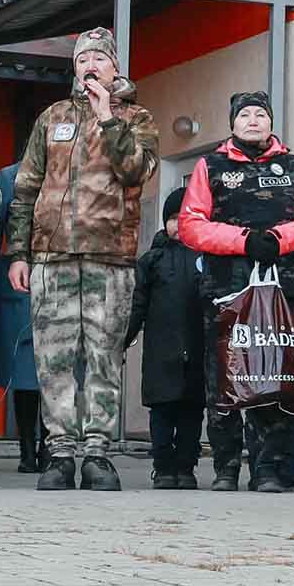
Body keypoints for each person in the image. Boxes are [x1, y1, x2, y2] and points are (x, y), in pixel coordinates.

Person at [6, 27, 160, 491]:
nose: (90, 65)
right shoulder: (51, 118)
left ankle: (97, 453)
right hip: (51, 257)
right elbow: (27, 187)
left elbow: (137, 171)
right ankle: (58, 453)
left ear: (115, 67)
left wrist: (107, 116)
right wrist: (19, 252)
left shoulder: (137, 118)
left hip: (110, 257)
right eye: (82, 60)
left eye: (99, 59)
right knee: (53, 360)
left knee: (103, 357)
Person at [178, 90, 294, 492]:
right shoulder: (210, 167)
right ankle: (226, 467)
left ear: (271, 122)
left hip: (283, 294)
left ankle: (270, 468)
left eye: (259, 114)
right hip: (226, 292)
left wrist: (278, 238)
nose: (252, 120)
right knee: (223, 381)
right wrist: (244, 240)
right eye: (244, 114)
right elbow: (192, 225)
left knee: (277, 377)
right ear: (232, 123)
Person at [125, 188, 206, 489]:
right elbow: (138, 304)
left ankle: (186, 468)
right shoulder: (151, 260)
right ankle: (162, 468)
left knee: (191, 415)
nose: (178, 225)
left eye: (185, 218)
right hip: (161, 353)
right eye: (173, 218)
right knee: (161, 415)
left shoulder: (207, 259)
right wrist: (124, 338)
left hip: (197, 353)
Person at [0, 163, 42, 471]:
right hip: (20, 278)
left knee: (59, 368)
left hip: (61, 272)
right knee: (25, 371)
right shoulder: (11, 176)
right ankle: (27, 449)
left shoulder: (76, 166)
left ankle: (51, 444)